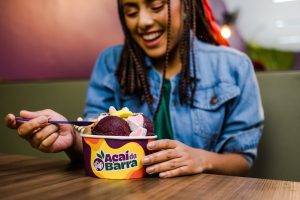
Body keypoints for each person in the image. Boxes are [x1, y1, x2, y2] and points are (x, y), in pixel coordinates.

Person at [5, 0, 264, 178]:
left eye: (156, 6)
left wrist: (201, 159)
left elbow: (241, 160)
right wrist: (72, 140)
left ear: (187, 5)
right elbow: (97, 146)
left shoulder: (234, 66)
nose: (143, 22)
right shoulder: (110, 64)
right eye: (130, 11)